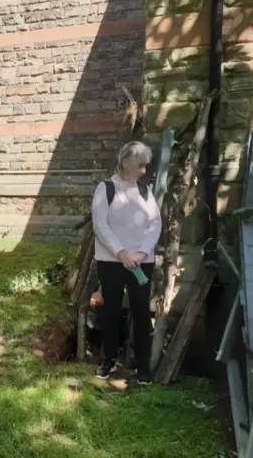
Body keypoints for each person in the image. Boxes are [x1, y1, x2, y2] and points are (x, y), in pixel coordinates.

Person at [91, 141, 162, 385]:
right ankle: (108, 361)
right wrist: (121, 252)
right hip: (111, 262)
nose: (144, 170)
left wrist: (141, 253)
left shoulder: (145, 191)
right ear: (126, 161)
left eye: (146, 165)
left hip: (141, 263)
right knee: (110, 311)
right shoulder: (106, 188)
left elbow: (155, 223)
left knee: (141, 313)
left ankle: (143, 367)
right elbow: (100, 224)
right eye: (141, 164)